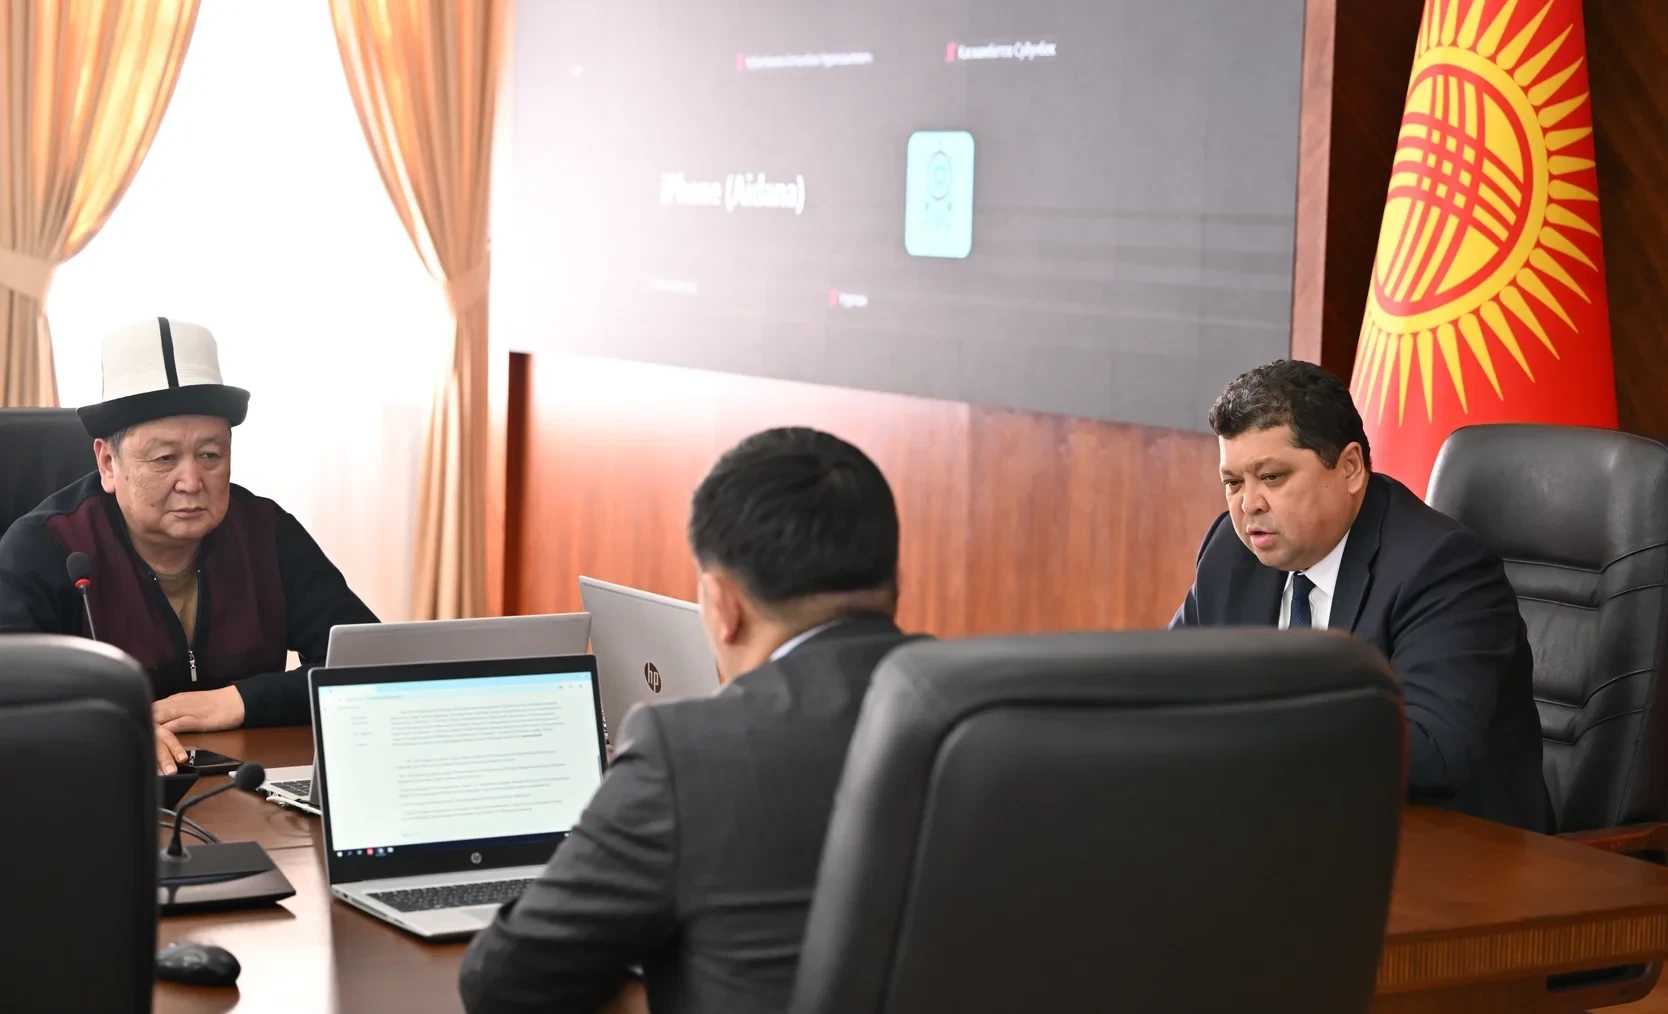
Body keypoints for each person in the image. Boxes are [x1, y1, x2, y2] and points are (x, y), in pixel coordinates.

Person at [459, 426, 922, 1014]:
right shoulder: (997, 716)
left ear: (723, 605)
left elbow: (502, 982)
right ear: (896, 581)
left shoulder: (687, 751)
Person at [1170, 360, 1547, 831]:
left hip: (1448, 849)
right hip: (1287, 829)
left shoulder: (1441, 568)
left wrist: (1252, 728)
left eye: (1271, 477)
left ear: (1349, 468)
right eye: (1233, 483)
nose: (1248, 505)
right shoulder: (1231, 551)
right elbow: (1167, 688)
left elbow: (1431, 752)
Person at [0, 318, 376, 773]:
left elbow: (368, 665)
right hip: (96, 787)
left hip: (243, 783)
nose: (192, 482)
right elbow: (10, 693)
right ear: (108, 463)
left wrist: (238, 700)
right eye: (164, 458)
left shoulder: (266, 532)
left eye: (210, 455)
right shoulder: (46, 545)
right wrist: (105, 725)